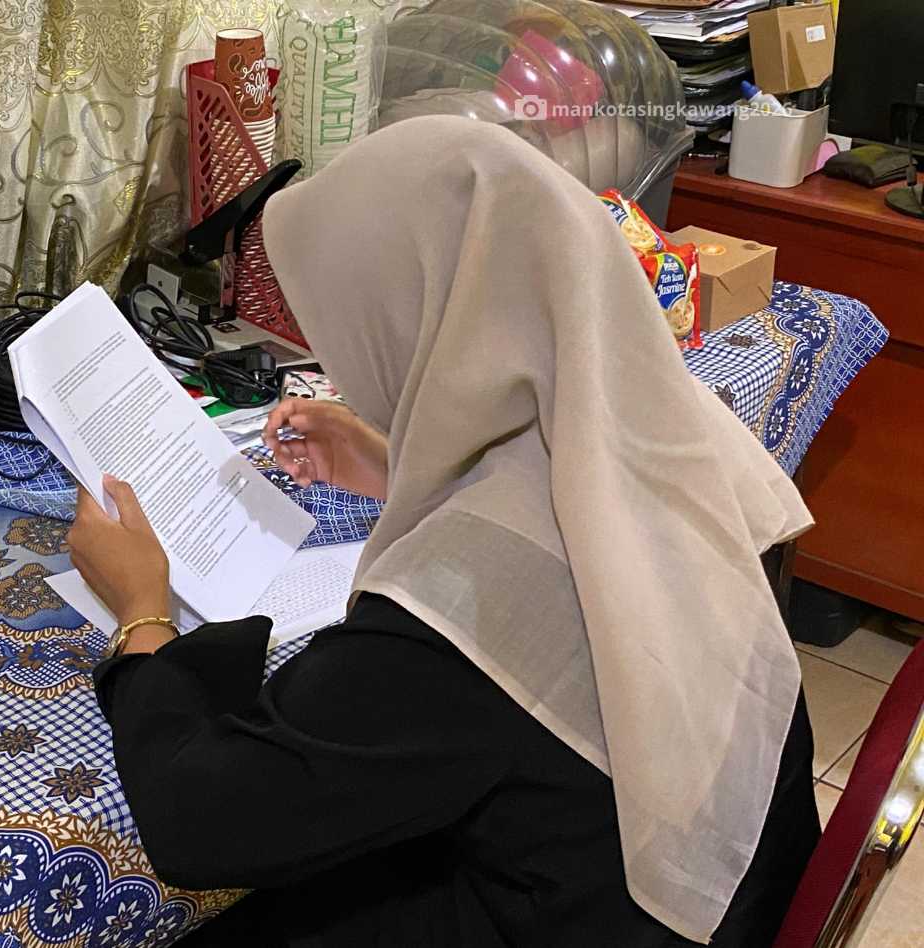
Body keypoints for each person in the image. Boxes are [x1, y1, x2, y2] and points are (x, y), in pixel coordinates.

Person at [67, 116, 820, 947]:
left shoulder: (457, 620)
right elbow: (568, 517)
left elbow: (202, 824)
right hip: (721, 892)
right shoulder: (673, 432)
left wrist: (143, 614)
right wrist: (402, 465)